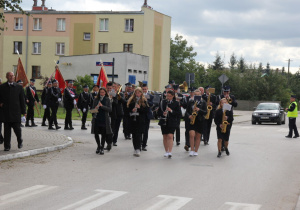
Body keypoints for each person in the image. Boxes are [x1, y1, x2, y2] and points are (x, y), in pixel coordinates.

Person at [0, 72, 26, 151]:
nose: (11, 77)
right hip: (6, 112)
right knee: (7, 131)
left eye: (12, 76)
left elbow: (22, 100)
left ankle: (20, 141)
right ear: (7, 76)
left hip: (16, 113)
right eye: (10, 76)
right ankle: (7, 146)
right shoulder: (2, 87)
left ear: (14, 77)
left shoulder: (19, 87)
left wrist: (24, 112)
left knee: (17, 129)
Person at [158, 90, 181, 158]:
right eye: (167, 96)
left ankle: (170, 152)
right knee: (165, 136)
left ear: (173, 96)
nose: (168, 97)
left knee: (170, 136)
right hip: (164, 121)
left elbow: (178, 113)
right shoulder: (163, 102)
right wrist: (163, 113)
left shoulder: (176, 103)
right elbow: (159, 112)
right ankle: (166, 151)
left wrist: (171, 111)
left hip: (172, 121)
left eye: (170, 96)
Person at [185, 89, 207, 156]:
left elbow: (205, 112)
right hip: (192, 120)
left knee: (198, 136)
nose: (197, 96)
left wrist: (199, 110)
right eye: (195, 95)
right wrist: (189, 116)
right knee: (191, 135)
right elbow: (187, 112)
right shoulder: (191, 102)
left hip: (200, 120)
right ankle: (191, 149)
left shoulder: (203, 102)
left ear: (201, 95)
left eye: (198, 95)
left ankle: (196, 151)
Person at [127, 87, 148, 157]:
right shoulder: (132, 100)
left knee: (139, 134)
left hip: (140, 120)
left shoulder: (144, 100)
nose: (137, 94)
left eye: (139, 92)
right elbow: (128, 109)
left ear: (141, 93)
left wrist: (139, 108)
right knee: (134, 135)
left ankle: (138, 148)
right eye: (136, 92)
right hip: (133, 119)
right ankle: (135, 147)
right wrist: (132, 110)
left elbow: (146, 111)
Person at [91, 87, 112, 155]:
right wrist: (95, 108)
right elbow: (92, 111)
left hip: (104, 119)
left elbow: (109, 109)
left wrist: (102, 106)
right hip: (97, 118)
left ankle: (102, 147)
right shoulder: (96, 99)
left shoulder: (107, 99)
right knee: (96, 133)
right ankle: (98, 146)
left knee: (104, 134)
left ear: (105, 93)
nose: (101, 94)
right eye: (100, 92)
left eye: (103, 92)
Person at [182, 87, 196, 151]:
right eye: (190, 92)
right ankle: (187, 144)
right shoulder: (186, 98)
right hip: (188, 116)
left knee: (194, 131)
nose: (191, 93)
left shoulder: (197, 98)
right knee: (187, 130)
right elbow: (184, 106)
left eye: (193, 92)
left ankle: (194, 144)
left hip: (195, 117)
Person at [141, 84, 154, 151]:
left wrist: (146, 100)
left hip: (147, 115)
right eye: (143, 89)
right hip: (140, 115)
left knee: (146, 130)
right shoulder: (139, 95)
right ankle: (140, 142)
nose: (144, 90)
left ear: (147, 89)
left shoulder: (150, 96)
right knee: (140, 130)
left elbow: (152, 104)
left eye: (145, 89)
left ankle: (144, 144)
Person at [105, 82, 118, 150]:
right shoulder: (104, 93)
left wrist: (112, 99)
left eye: (110, 88)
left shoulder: (114, 94)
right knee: (105, 130)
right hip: (105, 114)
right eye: (108, 88)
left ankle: (109, 143)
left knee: (111, 130)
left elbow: (116, 103)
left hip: (112, 115)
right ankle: (107, 142)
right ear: (106, 87)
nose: (109, 89)